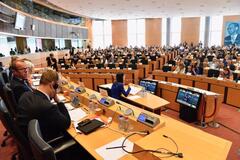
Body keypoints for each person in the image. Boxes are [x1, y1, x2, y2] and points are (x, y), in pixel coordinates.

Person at [16, 69, 71, 140]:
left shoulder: (25, 95)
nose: (56, 90)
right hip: (46, 142)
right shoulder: (48, 107)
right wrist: (59, 101)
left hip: (28, 138)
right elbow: (66, 123)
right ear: (52, 85)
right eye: (56, 87)